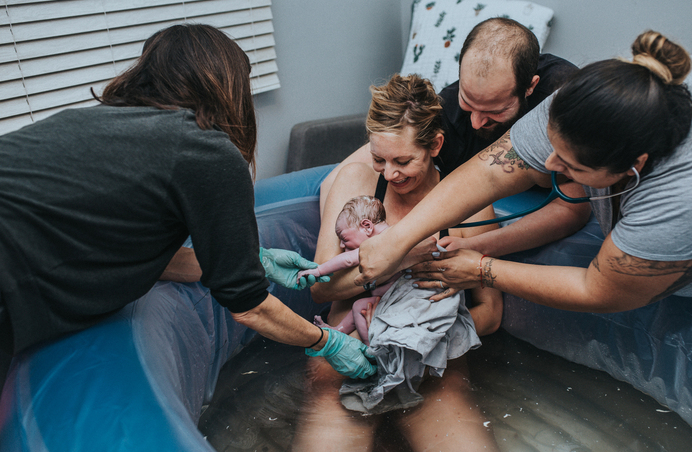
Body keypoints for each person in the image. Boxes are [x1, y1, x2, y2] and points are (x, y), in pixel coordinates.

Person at [0, 24, 375, 380]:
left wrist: (254, 260)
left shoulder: (90, 124)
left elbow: (130, 254)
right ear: (229, 91)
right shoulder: (204, 150)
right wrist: (326, 342)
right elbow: (250, 306)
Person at [355, 30, 692, 317]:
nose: (549, 165)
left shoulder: (677, 198)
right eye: (553, 149)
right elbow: (489, 173)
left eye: (572, 166)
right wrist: (397, 241)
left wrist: (482, 269)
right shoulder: (576, 106)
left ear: (635, 165)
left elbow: (599, 291)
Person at [292, 74, 503, 451]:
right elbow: (321, 288)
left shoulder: (468, 203)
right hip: (349, 355)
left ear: (435, 144)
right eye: (379, 158)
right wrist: (395, 258)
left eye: (403, 160)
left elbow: (491, 311)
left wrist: (420, 338)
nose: (389, 173)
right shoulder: (358, 184)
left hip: (432, 367)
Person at [320, 18, 590, 259]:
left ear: (530, 86)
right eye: (468, 102)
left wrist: (478, 247)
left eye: (495, 111)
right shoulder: (446, 110)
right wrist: (336, 256)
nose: (475, 122)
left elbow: (574, 208)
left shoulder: (564, 99)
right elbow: (333, 182)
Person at [300, 195, 391, 345]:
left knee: (358, 307)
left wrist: (318, 270)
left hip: (401, 296)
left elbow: (348, 259)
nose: (341, 245)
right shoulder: (394, 233)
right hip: (393, 295)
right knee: (360, 306)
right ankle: (338, 330)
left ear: (367, 226)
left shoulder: (378, 242)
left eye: (344, 238)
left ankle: (371, 348)